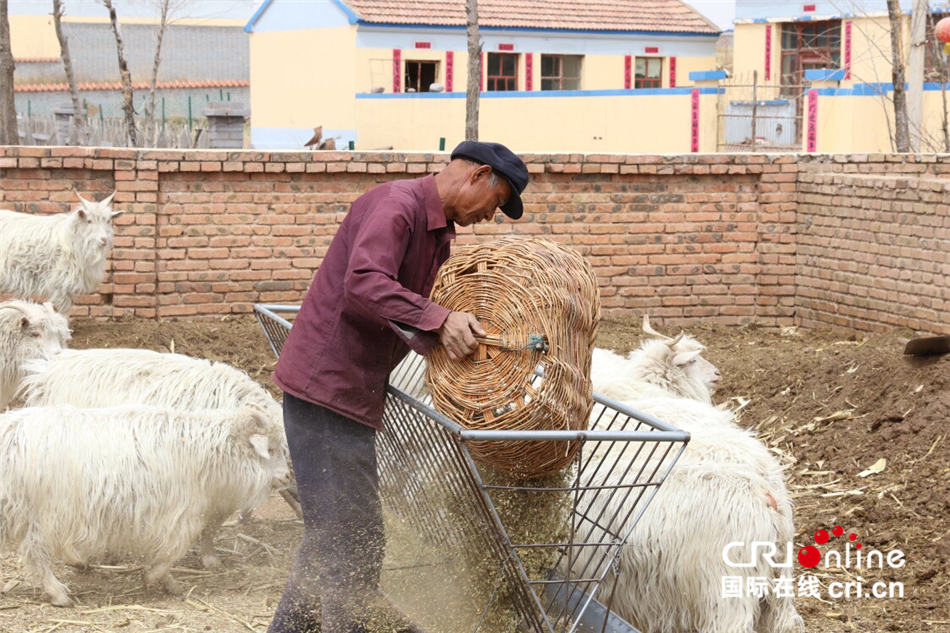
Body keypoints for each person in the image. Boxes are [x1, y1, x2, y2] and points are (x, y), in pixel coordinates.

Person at [267, 141, 530, 633]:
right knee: (352, 540)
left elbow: (403, 309)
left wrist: (453, 342)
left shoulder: (438, 236)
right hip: (325, 392)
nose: (490, 218)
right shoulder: (397, 206)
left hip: (351, 396)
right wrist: (440, 317)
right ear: (477, 177)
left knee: (333, 533)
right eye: (495, 204)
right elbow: (364, 282)